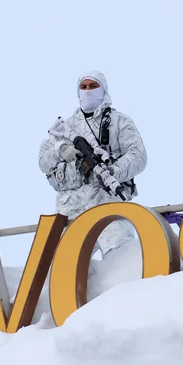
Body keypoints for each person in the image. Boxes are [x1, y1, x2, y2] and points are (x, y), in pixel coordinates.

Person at [38, 70, 147, 258]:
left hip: (107, 201)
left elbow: (138, 156)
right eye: (84, 87)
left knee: (120, 259)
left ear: (103, 90)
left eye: (93, 86)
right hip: (70, 208)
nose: (88, 90)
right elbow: (42, 161)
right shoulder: (65, 127)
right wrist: (60, 150)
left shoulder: (118, 122)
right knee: (63, 265)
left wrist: (113, 171)